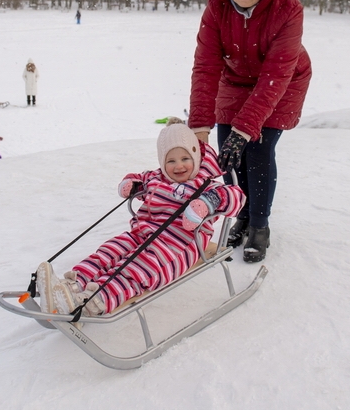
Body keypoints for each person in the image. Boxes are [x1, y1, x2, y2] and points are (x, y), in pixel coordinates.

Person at [187, 0, 312, 263]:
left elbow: (276, 75)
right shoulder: (217, 8)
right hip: (236, 78)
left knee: (256, 150)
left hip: (281, 81)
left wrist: (247, 129)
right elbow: (206, 67)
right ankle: (241, 214)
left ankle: (259, 225)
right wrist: (200, 128)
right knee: (229, 153)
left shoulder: (288, 9)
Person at [35, 122, 245, 317]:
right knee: (110, 251)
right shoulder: (156, 178)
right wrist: (131, 184)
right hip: (141, 234)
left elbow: (237, 197)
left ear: (196, 158)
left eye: (185, 159)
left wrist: (208, 202)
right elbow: (138, 178)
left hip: (178, 246)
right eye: (170, 161)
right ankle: (71, 286)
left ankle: (92, 302)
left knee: (136, 269)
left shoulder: (206, 185)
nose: (178, 166)